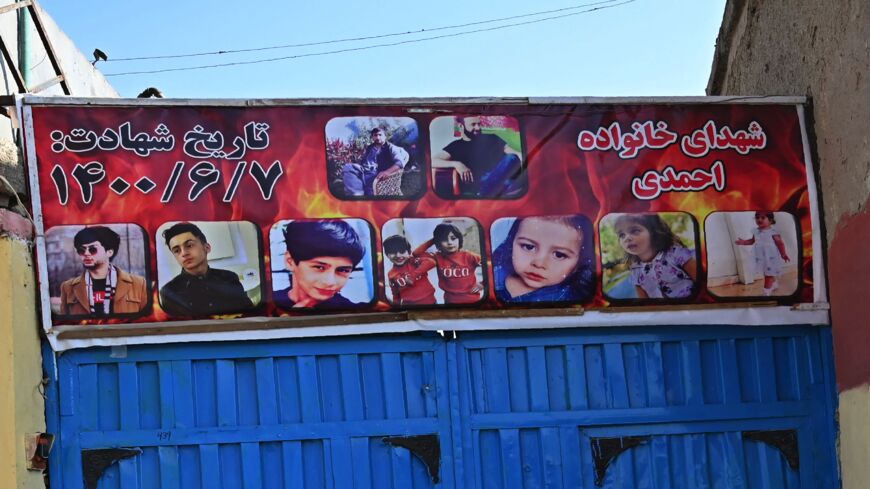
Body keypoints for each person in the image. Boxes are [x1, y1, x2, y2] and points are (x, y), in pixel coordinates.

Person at [159, 222, 254, 316]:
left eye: (189, 245)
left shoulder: (229, 277)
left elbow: (249, 313)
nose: (183, 253)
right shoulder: (169, 292)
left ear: (207, 247)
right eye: (177, 250)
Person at [492, 216, 594, 303]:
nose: (539, 263)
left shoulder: (574, 300)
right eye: (528, 247)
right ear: (512, 243)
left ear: (578, 263)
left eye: (559, 255)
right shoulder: (494, 273)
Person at [274, 220, 366, 309]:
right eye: (319, 267)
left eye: (342, 270)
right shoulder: (268, 305)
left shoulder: (352, 311)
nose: (330, 282)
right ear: (290, 261)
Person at [59, 226, 148, 316]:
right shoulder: (67, 288)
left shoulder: (138, 284)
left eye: (92, 249)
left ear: (109, 252)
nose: (86, 253)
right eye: (81, 250)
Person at [432, 115, 524, 198]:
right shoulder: (456, 145)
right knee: (510, 173)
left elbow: (510, 151)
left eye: (479, 124)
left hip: (500, 179)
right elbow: (433, 161)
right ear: (461, 126)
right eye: (473, 124)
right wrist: (457, 164)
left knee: (514, 165)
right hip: (479, 184)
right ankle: (486, 193)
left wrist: (523, 157)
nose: (478, 127)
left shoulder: (491, 137)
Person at [614, 214, 697, 299]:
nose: (627, 238)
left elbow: (702, 282)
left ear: (653, 232)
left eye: (635, 231)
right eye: (622, 235)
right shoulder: (635, 271)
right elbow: (644, 303)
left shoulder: (675, 253)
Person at [414, 223, 483, 304]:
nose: (449, 242)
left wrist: (483, 283)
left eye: (453, 238)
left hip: (472, 300)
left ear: (459, 239)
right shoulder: (437, 257)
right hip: (450, 301)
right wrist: (434, 239)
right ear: (438, 242)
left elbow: (490, 265)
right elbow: (416, 253)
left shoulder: (469, 256)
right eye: (444, 240)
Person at [735, 211, 790, 296]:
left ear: (770, 220)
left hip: (770, 256)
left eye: (763, 217)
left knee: (768, 274)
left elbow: (780, 243)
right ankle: (774, 284)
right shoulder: (756, 231)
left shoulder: (773, 232)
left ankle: (766, 291)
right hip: (760, 256)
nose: (759, 219)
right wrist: (743, 242)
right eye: (757, 217)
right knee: (767, 272)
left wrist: (783, 254)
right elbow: (752, 241)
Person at [342, 127, 409, 197]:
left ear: (385, 136)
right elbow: (364, 162)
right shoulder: (370, 148)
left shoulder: (391, 148)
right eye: (375, 135)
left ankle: (358, 194)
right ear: (372, 137)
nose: (378, 137)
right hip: (364, 171)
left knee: (367, 188)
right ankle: (357, 194)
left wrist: (387, 172)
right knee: (348, 167)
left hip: (376, 174)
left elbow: (400, 163)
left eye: (380, 135)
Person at [383, 235, 437, 306]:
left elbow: (431, 262)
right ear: (387, 255)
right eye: (393, 252)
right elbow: (396, 294)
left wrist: (413, 276)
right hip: (410, 307)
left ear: (408, 252)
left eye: (402, 251)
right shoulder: (391, 274)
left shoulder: (414, 261)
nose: (398, 255)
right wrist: (396, 307)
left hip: (431, 303)